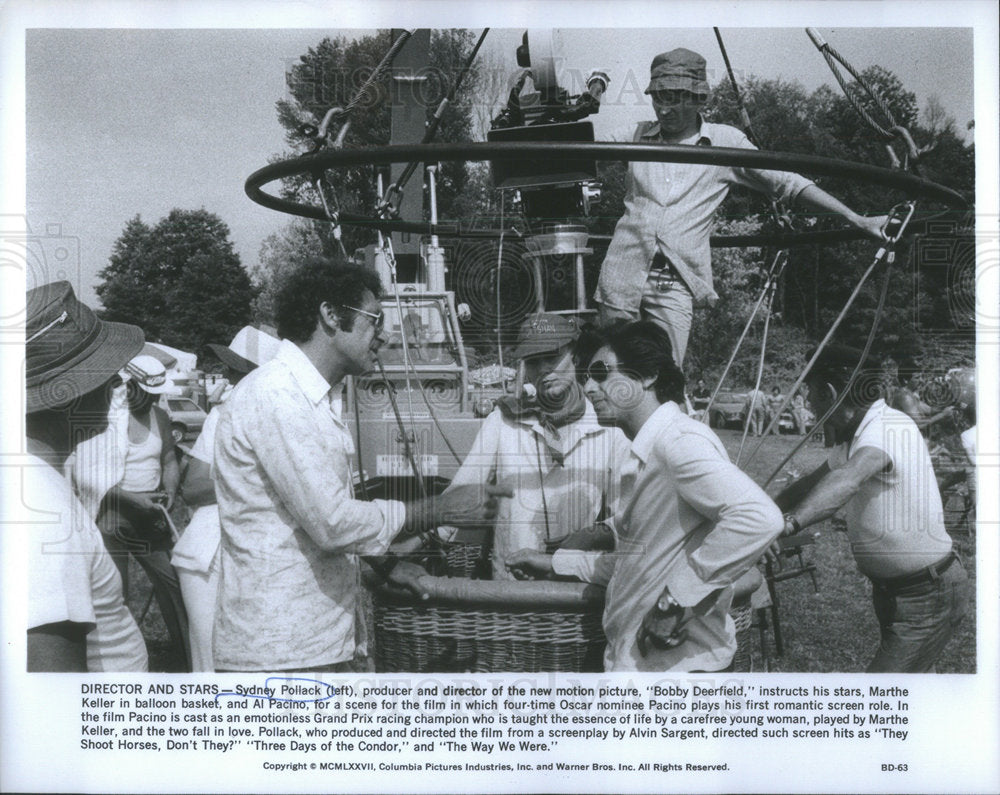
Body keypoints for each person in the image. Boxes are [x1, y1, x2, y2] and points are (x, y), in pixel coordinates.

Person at [212, 259, 509, 673]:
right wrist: (440, 509)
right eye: (375, 319)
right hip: (283, 652)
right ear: (331, 316)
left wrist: (384, 563)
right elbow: (331, 522)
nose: (384, 335)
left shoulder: (312, 398)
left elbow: (305, 519)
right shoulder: (278, 396)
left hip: (314, 642)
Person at [509, 321, 783, 672]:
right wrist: (554, 563)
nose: (589, 387)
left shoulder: (678, 443)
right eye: (586, 376)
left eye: (601, 373)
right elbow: (638, 564)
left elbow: (759, 518)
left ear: (648, 375)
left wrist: (674, 603)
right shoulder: (647, 451)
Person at [595, 47, 887, 365]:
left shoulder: (724, 142)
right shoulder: (634, 135)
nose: (664, 109)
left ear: (698, 99)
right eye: (659, 97)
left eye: (675, 98)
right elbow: (582, 150)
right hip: (622, 272)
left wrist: (855, 218)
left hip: (672, 277)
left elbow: (787, 181)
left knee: (663, 375)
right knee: (615, 372)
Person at [771, 344, 969, 672]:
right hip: (903, 594)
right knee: (915, 693)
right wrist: (759, 511)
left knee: (876, 699)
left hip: (926, 596)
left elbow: (847, 480)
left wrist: (787, 525)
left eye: (809, 391)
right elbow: (811, 483)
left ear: (831, 391)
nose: (807, 402)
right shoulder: (857, 435)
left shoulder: (887, 427)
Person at [444, 313, 631, 579]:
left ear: (575, 356)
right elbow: (462, 493)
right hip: (511, 586)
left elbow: (626, 518)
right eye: (533, 361)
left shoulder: (609, 428)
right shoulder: (503, 420)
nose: (543, 369)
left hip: (576, 588)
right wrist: (419, 535)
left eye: (552, 357)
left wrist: (586, 538)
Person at [24, 280, 148, 672]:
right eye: (101, 371)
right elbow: (53, 684)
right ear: (66, 394)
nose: (116, 383)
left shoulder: (37, 483)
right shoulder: (45, 510)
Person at [171, 326, 280, 671]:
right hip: (209, 552)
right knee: (211, 663)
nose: (228, 377)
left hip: (260, 554)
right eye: (230, 368)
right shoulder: (222, 413)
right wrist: (256, 482)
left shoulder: (286, 415)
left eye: (237, 369)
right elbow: (194, 487)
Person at [95, 353, 190, 670]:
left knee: (173, 583)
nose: (152, 399)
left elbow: (168, 460)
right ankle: (116, 665)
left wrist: (171, 489)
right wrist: (134, 500)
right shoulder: (107, 419)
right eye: (147, 392)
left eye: (157, 393)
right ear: (130, 386)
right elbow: (95, 477)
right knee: (114, 592)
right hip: (114, 514)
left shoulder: (160, 418)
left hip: (152, 513)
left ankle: (187, 658)